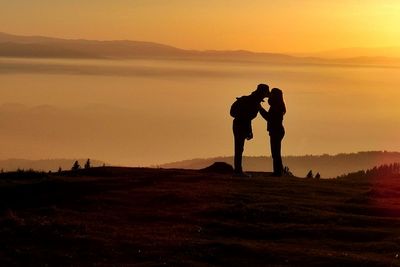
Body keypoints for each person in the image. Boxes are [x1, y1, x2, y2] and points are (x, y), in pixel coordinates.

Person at [230, 84, 269, 177]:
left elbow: (247, 117)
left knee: (239, 147)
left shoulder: (252, 101)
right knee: (239, 147)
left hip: (238, 124)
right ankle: (238, 171)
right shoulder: (253, 102)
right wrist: (249, 131)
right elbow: (247, 118)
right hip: (240, 125)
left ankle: (238, 170)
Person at [260, 88, 286, 177]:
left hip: (276, 131)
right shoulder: (277, 106)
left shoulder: (276, 107)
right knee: (276, 153)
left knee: (275, 153)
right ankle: (279, 171)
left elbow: (268, 117)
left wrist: (260, 108)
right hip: (277, 130)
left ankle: (278, 172)